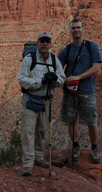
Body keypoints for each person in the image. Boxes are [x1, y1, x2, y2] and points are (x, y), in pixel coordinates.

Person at [18, 32, 66, 176]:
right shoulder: (29, 59)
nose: (45, 43)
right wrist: (41, 82)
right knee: (28, 132)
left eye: (47, 41)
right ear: (38, 43)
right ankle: (27, 164)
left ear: (50, 44)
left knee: (41, 131)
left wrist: (54, 79)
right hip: (31, 100)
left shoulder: (53, 59)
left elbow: (62, 79)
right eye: (42, 41)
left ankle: (39, 158)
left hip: (46, 102)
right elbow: (22, 79)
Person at [58, 18, 102, 164]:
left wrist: (78, 77)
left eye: (78, 28)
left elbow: (96, 67)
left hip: (87, 90)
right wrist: (63, 79)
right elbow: (58, 68)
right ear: (70, 31)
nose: (76, 30)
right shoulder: (67, 50)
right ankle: (76, 146)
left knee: (91, 121)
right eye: (73, 28)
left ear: (83, 29)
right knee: (71, 121)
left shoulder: (92, 47)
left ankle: (94, 149)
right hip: (70, 91)